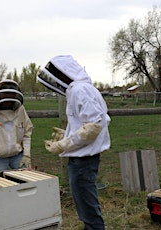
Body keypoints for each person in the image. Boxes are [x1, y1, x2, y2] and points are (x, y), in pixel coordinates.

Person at [38, 55, 110, 230]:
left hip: (83, 162)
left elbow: (93, 127)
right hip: (85, 161)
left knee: (89, 213)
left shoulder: (80, 90)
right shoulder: (84, 89)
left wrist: (64, 144)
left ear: (63, 74)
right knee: (87, 209)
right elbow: (94, 122)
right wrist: (68, 134)